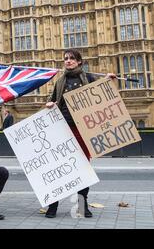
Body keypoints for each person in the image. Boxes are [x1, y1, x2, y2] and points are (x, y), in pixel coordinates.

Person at [45, 48, 116, 219]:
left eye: (71, 58)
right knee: (59, 168)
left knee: (83, 168)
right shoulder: (60, 81)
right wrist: (49, 104)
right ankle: (52, 205)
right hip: (63, 129)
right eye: (66, 59)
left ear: (79, 62)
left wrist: (107, 80)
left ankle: (82, 205)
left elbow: (99, 94)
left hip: (83, 130)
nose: (68, 61)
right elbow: (52, 100)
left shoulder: (88, 78)